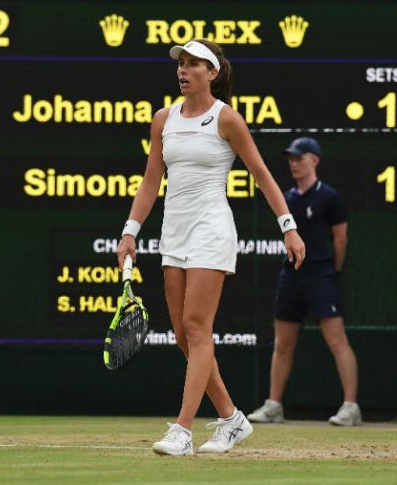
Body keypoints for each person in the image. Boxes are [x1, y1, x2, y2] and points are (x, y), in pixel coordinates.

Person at [116, 39, 306, 456]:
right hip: (174, 232)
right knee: (184, 335)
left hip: (211, 229)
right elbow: (151, 180)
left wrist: (288, 227)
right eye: (180, 64)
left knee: (197, 326)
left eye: (193, 64)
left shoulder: (227, 119)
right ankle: (231, 418)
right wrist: (130, 231)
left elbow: (262, 174)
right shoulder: (163, 119)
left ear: (213, 72)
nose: (183, 70)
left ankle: (182, 430)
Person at [247, 137, 362, 426]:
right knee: (282, 344)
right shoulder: (285, 199)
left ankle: (351, 407)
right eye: (291, 158)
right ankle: (274, 406)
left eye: (299, 157)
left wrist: (332, 271)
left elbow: (341, 239)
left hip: (321, 275)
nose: (293, 163)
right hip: (291, 276)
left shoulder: (330, 197)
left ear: (315, 160)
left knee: (337, 341)